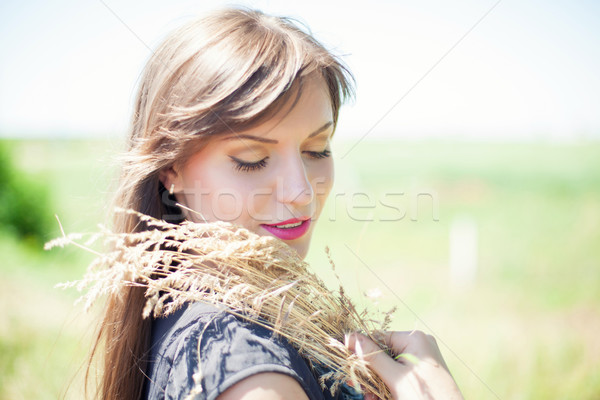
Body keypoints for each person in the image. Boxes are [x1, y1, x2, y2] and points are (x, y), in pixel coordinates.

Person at [91, 6, 463, 400]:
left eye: (317, 150)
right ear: (171, 168)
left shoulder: (217, 324)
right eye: (252, 159)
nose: (301, 191)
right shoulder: (246, 365)